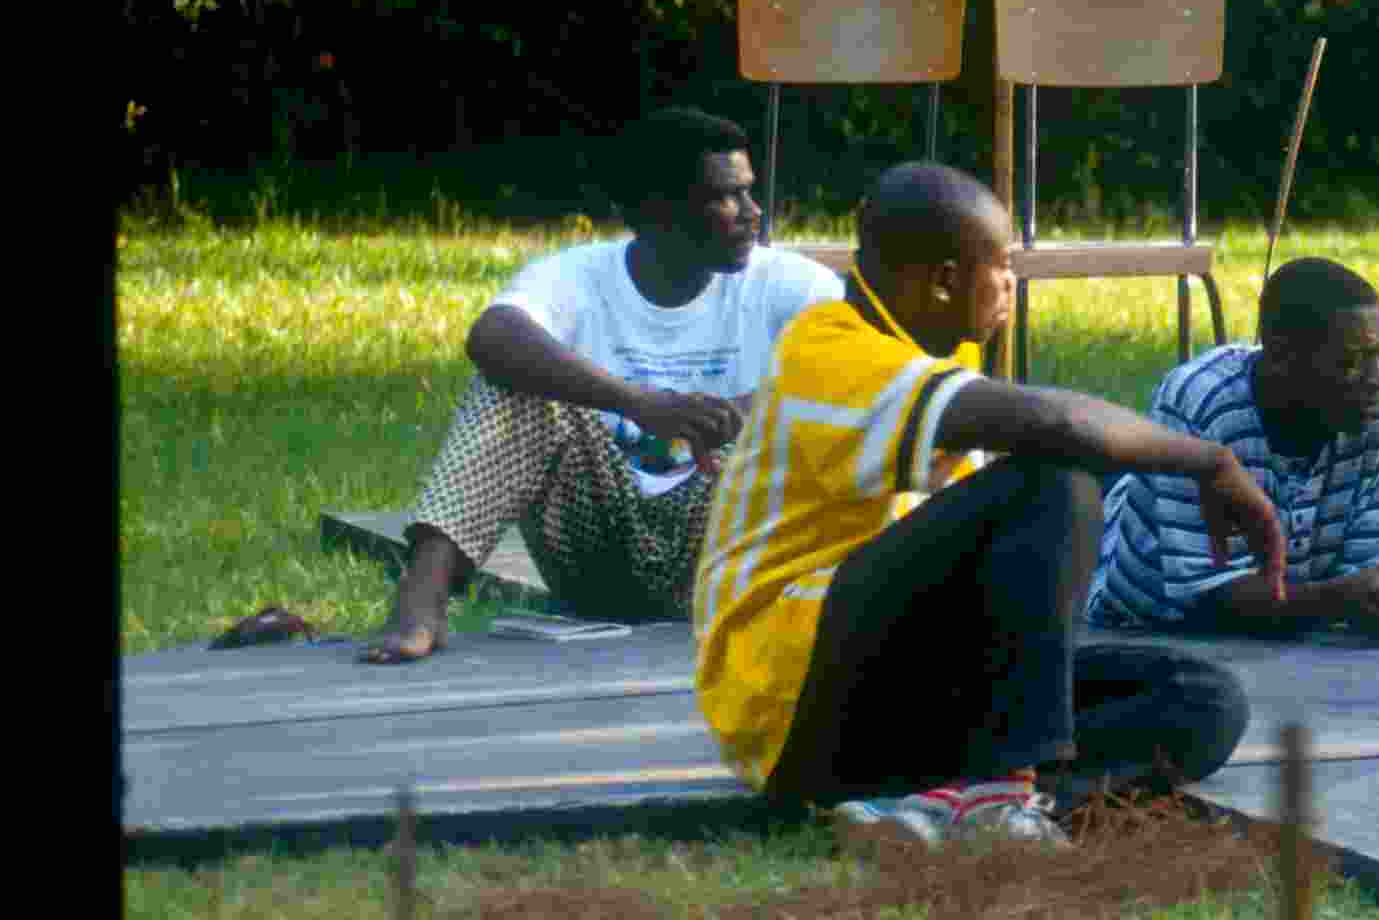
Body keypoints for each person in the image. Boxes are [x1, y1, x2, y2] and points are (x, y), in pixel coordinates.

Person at [691, 162, 1285, 845]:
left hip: (894, 685)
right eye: (1000, 266)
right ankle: (995, 794)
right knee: (1053, 479)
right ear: (944, 281)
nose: (1010, 283)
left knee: (1200, 702)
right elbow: (1061, 426)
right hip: (791, 695)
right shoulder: (828, 352)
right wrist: (1211, 460)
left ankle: (933, 806)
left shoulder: (940, 352)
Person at [366, 108, 838, 663]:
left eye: (749, 192)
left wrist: (742, 410)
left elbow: (864, 365)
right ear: (656, 210)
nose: (753, 213)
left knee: (813, 406)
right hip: (596, 548)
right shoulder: (580, 275)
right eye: (725, 197)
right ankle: (423, 595)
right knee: (514, 388)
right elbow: (492, 336)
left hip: (724, 548)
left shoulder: (788, 282)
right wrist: (637, 403)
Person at [1089, 256, 1379, 644]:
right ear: (1279, 358)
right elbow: (1207, 599)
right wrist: (1339, 600)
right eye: (1349, 363)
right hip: (1144, 609)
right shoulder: (1201, 403)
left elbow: (1370, 582)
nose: (1376, 379)